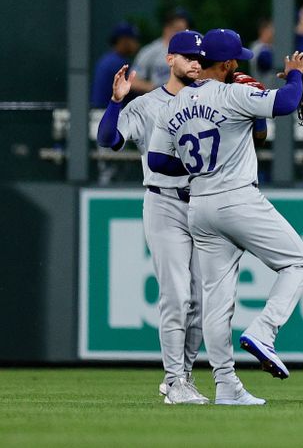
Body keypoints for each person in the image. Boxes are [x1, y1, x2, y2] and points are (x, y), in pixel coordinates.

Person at [147, 29, 303, 406]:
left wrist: (198, 164)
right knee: (299, 263)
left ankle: (226, 385)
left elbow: (157, 160)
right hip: (237, 198)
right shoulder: (232, 92)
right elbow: (288, 103)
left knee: (216, 300)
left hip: (199, 205)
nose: (238, 64)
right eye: (234, 59)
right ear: (224, 64)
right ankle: (264, 331)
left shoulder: (172, 104)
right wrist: (296, 73)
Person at [95, 30, 208, 405]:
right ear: (169, 60)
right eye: (188, 56)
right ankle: (175, 380)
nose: (195, 63)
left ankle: (184, 377)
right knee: (176, 296)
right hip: (164, 203)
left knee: (201, 301)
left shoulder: (211, 99)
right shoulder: (146, 105)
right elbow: (108, 139)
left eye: (199, 57)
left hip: (205, 204)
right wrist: (116, 101)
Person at [131, 9, 191, 93]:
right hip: (159, 101)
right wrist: (154, 88)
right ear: (167, 28)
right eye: (178, 29)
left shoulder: (192, 50)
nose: (182, 33)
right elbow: (133, 81)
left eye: (184, 30)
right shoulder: (150, 51)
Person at [90, 22, 141, 108]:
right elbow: (135, 85)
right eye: (134, 39)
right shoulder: (116, 62)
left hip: (99, 112)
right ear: (124, 41)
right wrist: (157, 87)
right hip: (106, 113)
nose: (136, 44)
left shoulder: (107, 58)